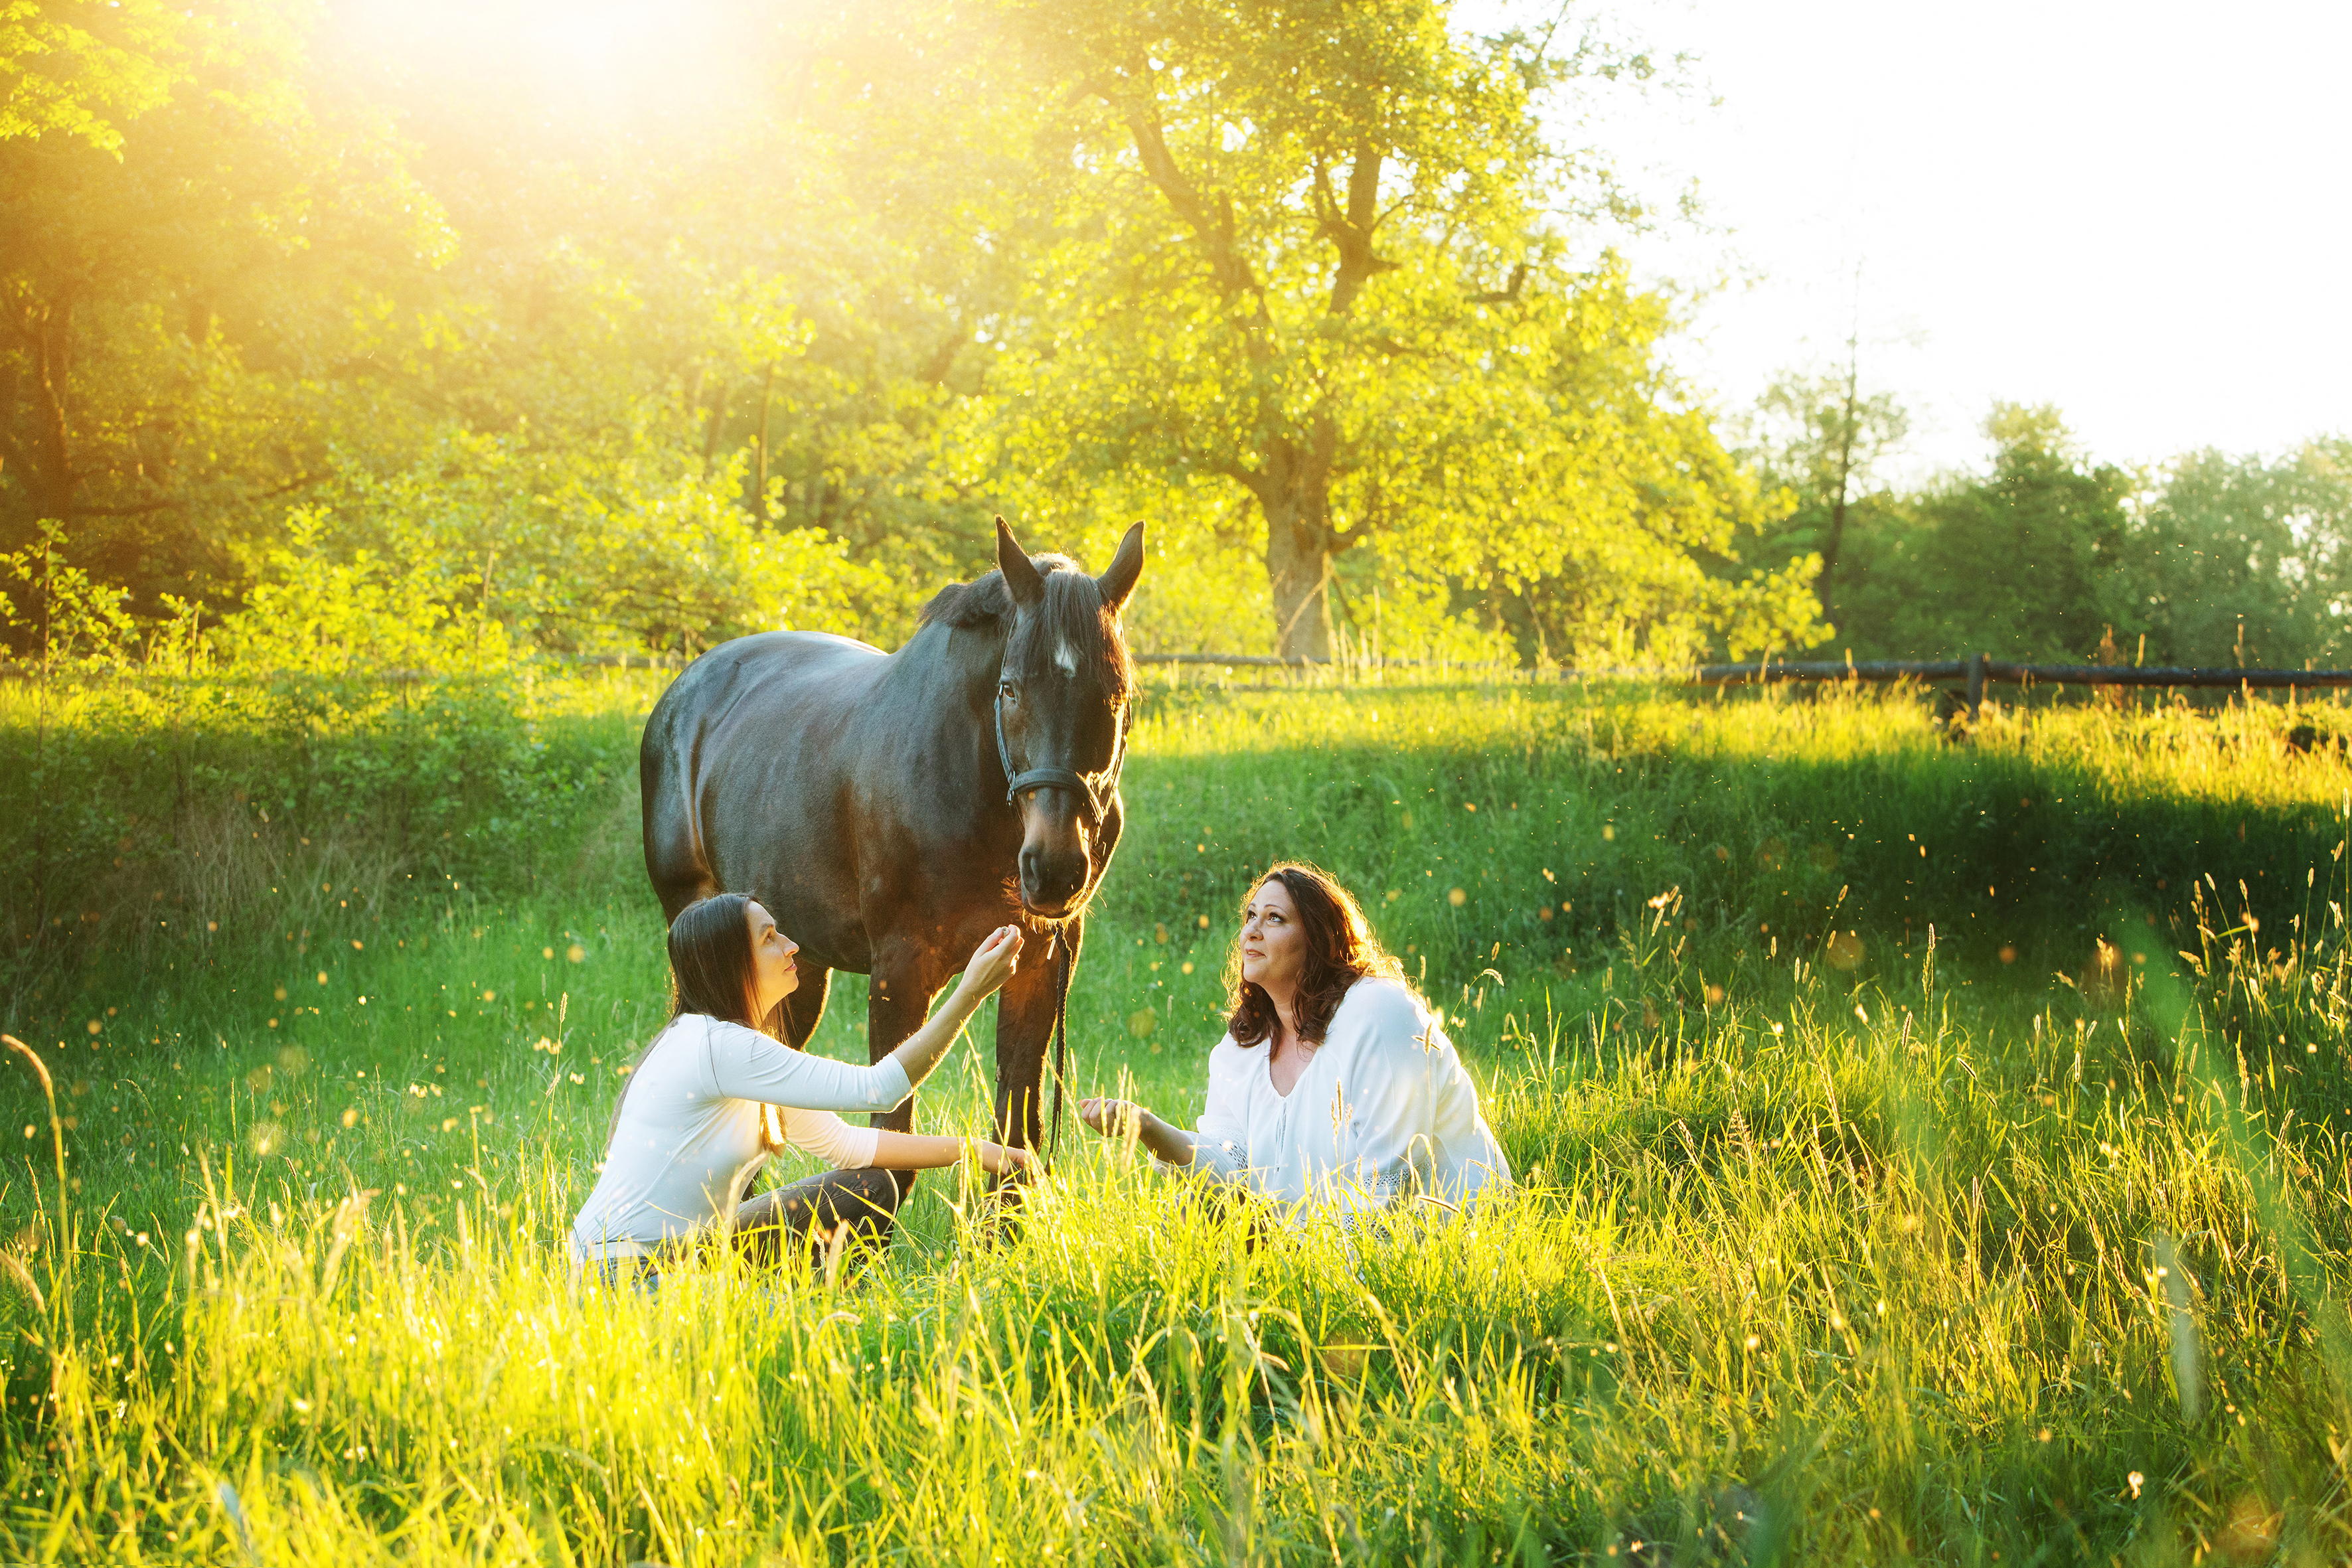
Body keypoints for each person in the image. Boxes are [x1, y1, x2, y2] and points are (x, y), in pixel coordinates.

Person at [572, 892, 1028, 1283]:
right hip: (628, 1274)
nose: (791, 946)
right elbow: (879, 1090)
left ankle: (802, 1310)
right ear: (730, 963)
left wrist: (976, 1151)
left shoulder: (718, 1043)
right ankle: (814, 1318)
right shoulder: (719, 1046)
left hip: (647, 1258)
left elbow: (843, 1145)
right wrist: (969, 993)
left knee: (868, 1185)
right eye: (769, 938)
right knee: (865, 1195)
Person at [1077, 862, 1510, 1224]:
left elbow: (1391, 1188)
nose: (1252, 931)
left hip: (1453, 1246)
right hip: (1317, 1262)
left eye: (1274, 919)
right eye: (1249, 916)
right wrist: (1147, 1128)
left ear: (1319, 940)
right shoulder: (1241, 1050)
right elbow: (1232, 1166)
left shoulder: (1379, 1014)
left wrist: (1297, 1262)